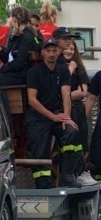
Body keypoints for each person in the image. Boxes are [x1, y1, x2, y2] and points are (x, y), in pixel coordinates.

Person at [24, 38, 80, 188]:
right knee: (40, 146)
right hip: (37, 116)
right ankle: (42, 182)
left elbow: (66, 95)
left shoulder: (63, 70)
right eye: (48, 51)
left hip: (57, 114)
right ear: (42, 53)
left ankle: (67, 175)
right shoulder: (34, 72)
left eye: (54, 51)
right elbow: (32, 100)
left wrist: (66, 117)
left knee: (71, 132)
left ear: (59, 52)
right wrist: (53, 116)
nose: (51, 54)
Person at [56, 32, 95, 185]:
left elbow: (83, 91)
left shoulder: (79, 67)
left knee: (82, 137)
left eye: (72, 49)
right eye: (67, 48)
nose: (69, 51)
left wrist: (65, 96)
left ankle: (81, 169)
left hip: (76, 108)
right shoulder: (58, 67)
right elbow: (57, 88)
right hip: (60, 109)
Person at [0, 6, 40, 89]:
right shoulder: (18, 36)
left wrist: (1, 70)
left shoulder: (27, 37)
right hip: (17, 72)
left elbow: (19, 62)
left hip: (24, 75)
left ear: (14, 19)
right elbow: (10, 58)